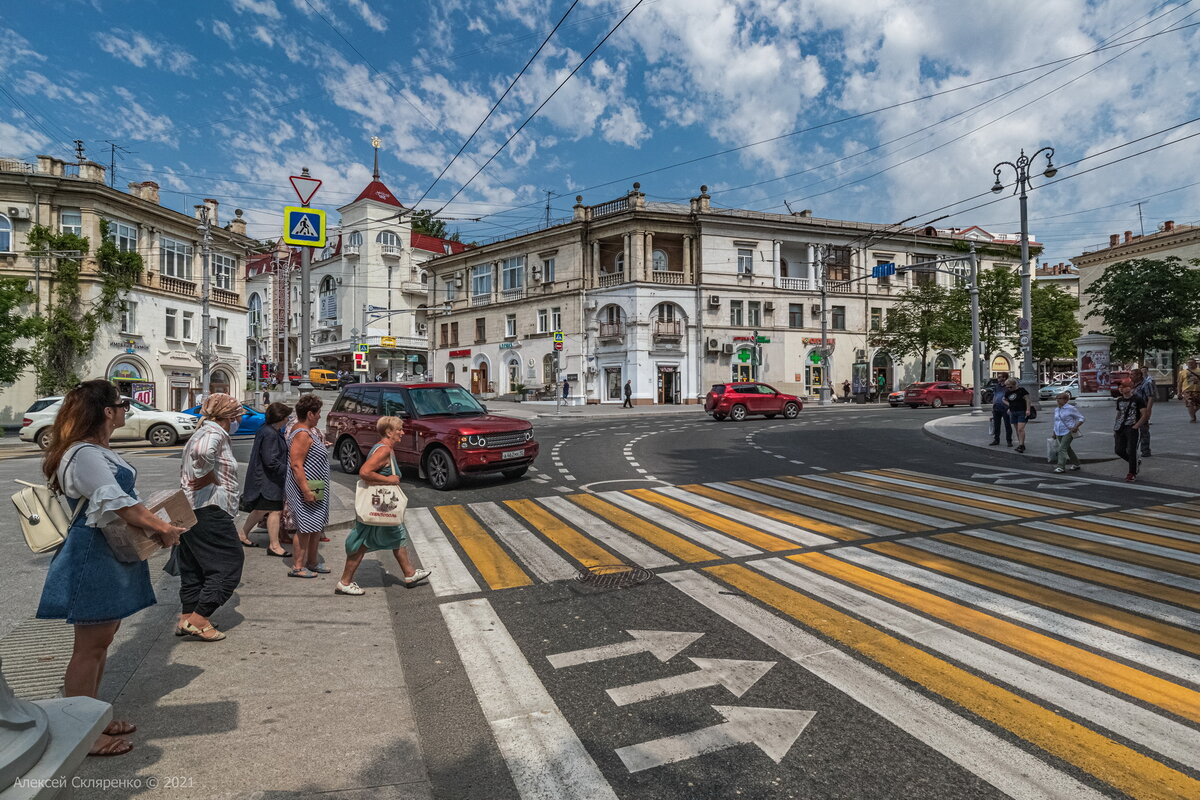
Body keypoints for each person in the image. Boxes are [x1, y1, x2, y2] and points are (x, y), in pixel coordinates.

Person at [37, 380, 187, 757]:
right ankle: (83, 731)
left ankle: (95, 717)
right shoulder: (84, 453)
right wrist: (162, 527)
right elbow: (117, 501)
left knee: (101, 642)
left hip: (105, 550)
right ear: (107, 411)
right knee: (89, 647)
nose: (125, 410)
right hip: (93, 553)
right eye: (122, 405)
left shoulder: (92, 450)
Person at [176, 394, 246, 642]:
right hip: (210, 509)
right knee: (229, 565)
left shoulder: (203, 430)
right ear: (230, 417)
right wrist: (208, 475)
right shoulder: (213, 434)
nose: (240, 420)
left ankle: (186, 617)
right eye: (239, 415)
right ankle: (200, 618)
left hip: (194, 508)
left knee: (194, 566)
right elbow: (202, 452)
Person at [335, 417, 431, 596]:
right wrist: (389, 480)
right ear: (389, 432)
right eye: (399, 429)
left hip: (383, 506)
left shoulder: (382, 447)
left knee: (397, 535)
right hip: (378, 507)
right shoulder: (384, 450)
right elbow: (365, 472)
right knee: (362, 542)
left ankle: (409, 574)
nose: (402, 432)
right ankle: (344, 582)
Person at [286, 394, 331, 578]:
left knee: (315, 526)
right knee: (305, 527)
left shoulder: (306, 431)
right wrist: (305, 490)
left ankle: (312, 562)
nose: (320, 416)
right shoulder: (302, 434)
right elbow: (296, 464)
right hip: (306, 486)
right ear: (310, 414)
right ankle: (298, 566)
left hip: (315, 485)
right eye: (319, 413)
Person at [239, 402, 293, 557]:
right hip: (268, 481)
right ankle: (274, 545)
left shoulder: (266, 430)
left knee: (260, 510)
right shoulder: (270, 433)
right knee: (275, 511)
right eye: (287, 416)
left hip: (263, 479)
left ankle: (242, 534)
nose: (288, 419)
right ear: (281, 418)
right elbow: (271, 460)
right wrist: (289, 471)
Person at [1113, 380, 1150, 482]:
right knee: (1118, 450)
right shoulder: (1119, 400)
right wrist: (1115, 427)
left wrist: (1137, 425)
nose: (1120, 389)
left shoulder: (1137, 399)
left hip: (1131, 427)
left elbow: (1145, 414)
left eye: (1123, 387)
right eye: (1119, 387)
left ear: (1130, 387)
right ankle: (1134, 462)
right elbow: (1119, 414)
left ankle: (1132, 472)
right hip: (1120, 427)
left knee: (1132, 450)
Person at [1051, 392, 1084, 473]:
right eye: (1057, 399)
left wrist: (1076, 426)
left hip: (1068, 431)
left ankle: (1060, 467)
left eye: (1059, 399)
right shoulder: (1057, 409)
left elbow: (1082, 418)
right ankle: (1076, 464)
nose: (1057, 400)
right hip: (1059, 431)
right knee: (1067, 448)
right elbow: (1056, 422)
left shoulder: (1071, 408)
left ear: (1066, 400)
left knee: (1062, 448)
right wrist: (1054, 432)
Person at [1002, 378, 1034, 453]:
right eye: (1007, 387)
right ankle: (1020, 444)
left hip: (1022, 411)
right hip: (1013, 412)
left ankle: (1021, 445)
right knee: (1017, 430)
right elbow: (1004, 399)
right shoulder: (1007, 392)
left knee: (1020, 429)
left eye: (1010, 387)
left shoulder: (1021, 390)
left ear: (1014, 385)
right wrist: (1010, 406)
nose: (1009, 388)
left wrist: (1028, 409)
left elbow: (1028, 400)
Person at [1130, 368, 1155, 457]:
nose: (1131, 376)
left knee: (1144, 430)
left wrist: (1148, 411)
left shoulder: (1146, 384)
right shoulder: (1132, 384)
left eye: (1132, 375)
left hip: (1142, 410)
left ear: (1139, 375)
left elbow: (1150, 398)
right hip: (1132, 411)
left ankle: (1145, 450)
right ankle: (1131, 449)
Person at [1178, 357, 1200, 423]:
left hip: (1198, 390)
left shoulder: (1199, 371)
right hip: (1187, 390)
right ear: (1187, 364)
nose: (1190, 364)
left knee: (1198, 405)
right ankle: (1193, 417)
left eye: (1192, 363)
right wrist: (1179, 392)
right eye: (1189, 363)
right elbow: (1179, 383)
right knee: (1190, 403)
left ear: (1195, 364)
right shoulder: (1182, 372)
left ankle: (1193, 413)